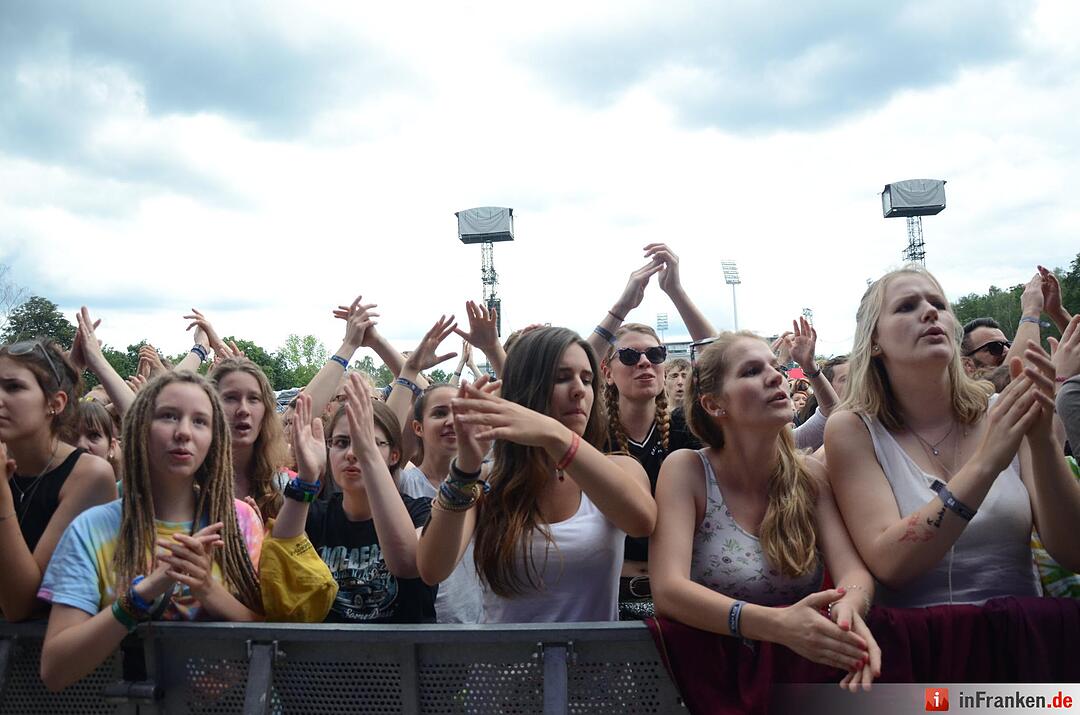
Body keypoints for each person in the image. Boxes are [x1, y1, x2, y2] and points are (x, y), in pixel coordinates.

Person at [826, 266, 1080, 608]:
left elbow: (1073, 552)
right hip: (921, 637)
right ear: (873, 342)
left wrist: (1043, 441)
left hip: (1021, 632)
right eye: (906, 307)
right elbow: (890, 565)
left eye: (938, 304)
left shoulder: (1002, 412)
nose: (929, 312)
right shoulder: (855, 428)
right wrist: (987, 462)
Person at [650, 332, 880, 691]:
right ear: (714, 404)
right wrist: (776, 625)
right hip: (709, 683)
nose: (776, 376)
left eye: (775, 367)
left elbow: (852, 571)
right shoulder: (687, 470)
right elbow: (668, 591)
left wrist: (850, 606)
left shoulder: (810, 475)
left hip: (801, 680)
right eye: (752, 371)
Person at [39, 371, 263, 691]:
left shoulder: (241, 522)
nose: (183, 432)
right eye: (168, 416)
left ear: (215, 439)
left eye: (200, 421)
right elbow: (55, 670)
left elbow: (269, 632)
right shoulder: (91, 529)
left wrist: (206, 589)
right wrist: (141, 596)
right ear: (140, 428)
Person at [417, 327, 656, 623]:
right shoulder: (486, 481)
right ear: (526, 388)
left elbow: (642, 522)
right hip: (504, 653)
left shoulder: (621, 467)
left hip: (595, 654)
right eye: (561, 377)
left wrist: (556, 435)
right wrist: (465, 467)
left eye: (587, 379)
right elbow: (432, 569)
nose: (580, 390)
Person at [0, 340, 116, 622]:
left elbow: (22, 604)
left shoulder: (90, 476)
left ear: (55, 403)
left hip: (46, 645)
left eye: (13, 387)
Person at [305, 373, 436, 623]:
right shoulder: (314, 515)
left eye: (369, 443)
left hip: (407, 649)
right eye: (341, 442)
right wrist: (306, 477)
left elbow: (410, 563)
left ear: (394, 455)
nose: (353, 453)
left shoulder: (421, 511)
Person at [398, 384, 483, 623]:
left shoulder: (483, 484)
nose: (451, 421)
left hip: (475, 625)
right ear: (418, 427)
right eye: (439, 413)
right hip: (419, 625)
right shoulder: (402, 484)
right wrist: (409, 374)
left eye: (460, 412)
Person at [209, 358, 290, 522]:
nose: (243, 410)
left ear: (266, 410)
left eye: (253, 398)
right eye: (231, 398)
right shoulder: (188, 480)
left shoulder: (282, 484)